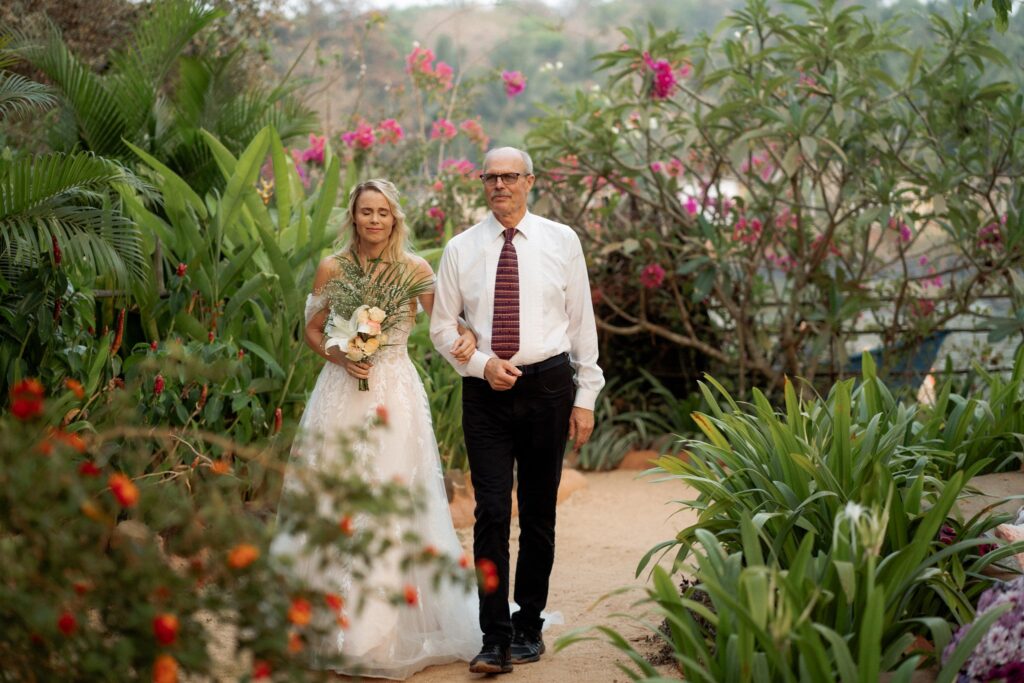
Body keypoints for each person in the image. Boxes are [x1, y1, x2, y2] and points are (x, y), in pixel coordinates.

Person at [273, 178, 482, 679]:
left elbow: (442, 325)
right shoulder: (333, 266)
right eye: (365, 211)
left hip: (395, 392)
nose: (373, 220)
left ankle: (379, 633)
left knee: (390, 497)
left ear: (395, 218)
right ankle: (323, 622)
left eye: (382, 212)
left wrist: (469, 335)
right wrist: (341, 354)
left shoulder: (416, 269)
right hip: (341, 390)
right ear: (353, 216)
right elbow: (312, 328)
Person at [430, 147, 605, 674]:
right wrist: (482, 364)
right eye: (491, 176)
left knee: (538, 513)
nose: (500, 184)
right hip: (485, 394)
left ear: (531, 181)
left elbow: (581, 324)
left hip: (548, 387)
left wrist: (585, 397)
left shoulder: (561, 240)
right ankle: (494, 636)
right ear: (482, 182)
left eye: (511, 176)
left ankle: (529, 626)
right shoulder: (461, 248)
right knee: (489, 513)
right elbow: (441, 326)